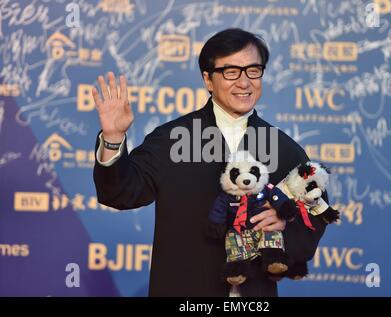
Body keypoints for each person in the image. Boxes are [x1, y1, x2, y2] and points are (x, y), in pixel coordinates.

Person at [92, 28, 329, 297]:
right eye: (231, 72)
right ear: (208, 79)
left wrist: (287, 223)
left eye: (253, 70)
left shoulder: (282, 147)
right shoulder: (172, 139)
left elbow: (316, 210)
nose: (244, 82)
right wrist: (112, 138)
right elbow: (121, 192)